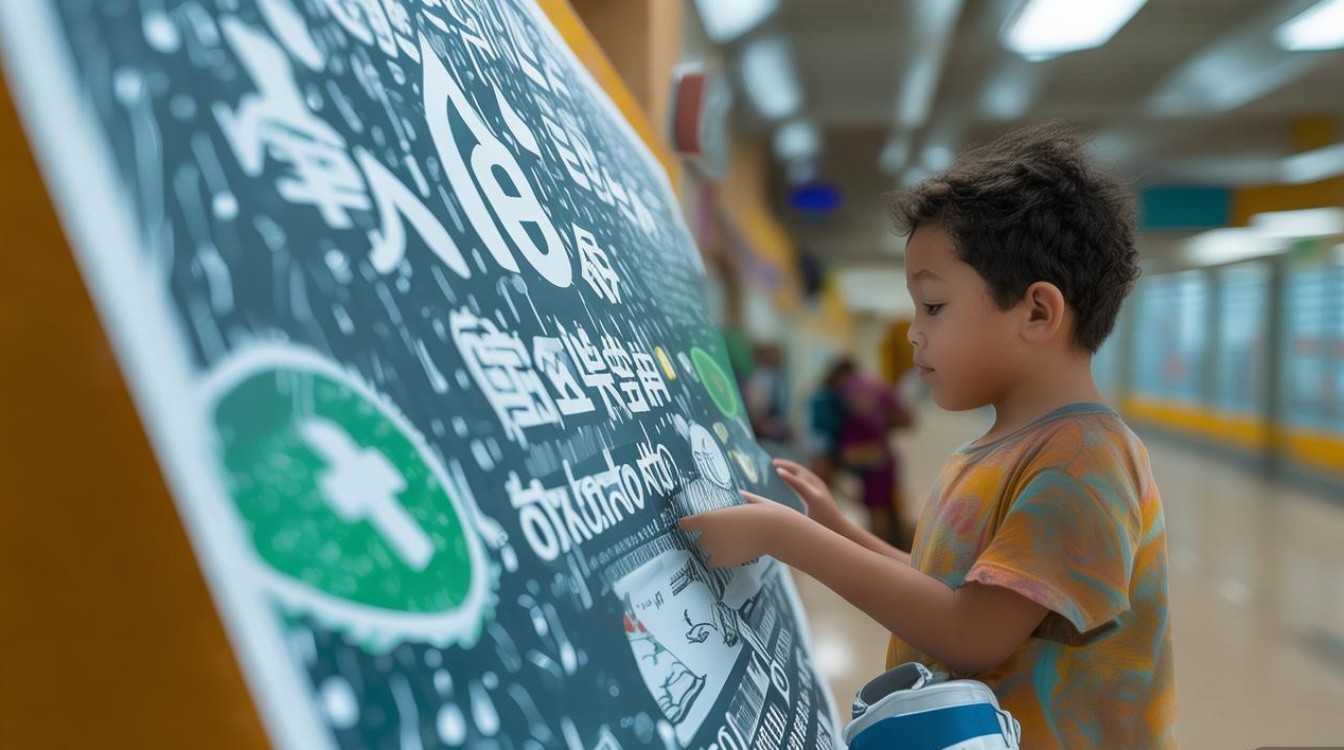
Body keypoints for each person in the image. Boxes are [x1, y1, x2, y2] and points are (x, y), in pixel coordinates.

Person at [679, 123, 1177, 749]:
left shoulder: (1086, 459)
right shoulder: (998, 447)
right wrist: (837, 527)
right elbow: (951, 590)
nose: (914, 333)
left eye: (933, 307)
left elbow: (972, 632)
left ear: (1038, 312)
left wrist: (789, 537)